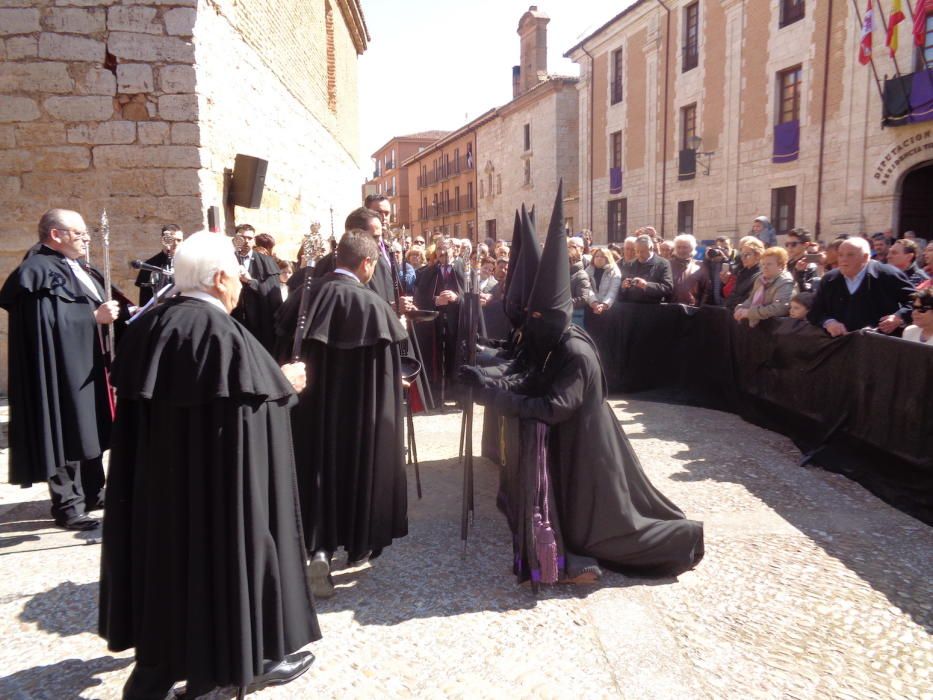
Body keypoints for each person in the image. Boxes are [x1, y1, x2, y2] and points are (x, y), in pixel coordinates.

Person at [100, 231, 318, 700]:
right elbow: (246, 424)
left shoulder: (149, 327)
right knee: (211, 586)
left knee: (165, 585)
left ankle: (156, 675)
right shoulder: (225, 337)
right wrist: (285, 386)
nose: (242, 282)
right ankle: (214, 674)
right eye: (237, 275)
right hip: (214, 505)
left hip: (157, 502)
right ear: (220, 279)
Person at [460, 185, 704, 583]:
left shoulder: (574, 351)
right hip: (568, 443)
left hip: (588, 446)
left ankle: (683, 538)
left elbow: (554, 406)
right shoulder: (551, 341)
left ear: (555, 316)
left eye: (538, 317)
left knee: (606, 529)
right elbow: (532, 375)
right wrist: (486, 378)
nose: (530, 323)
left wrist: (491, 395)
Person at [274, 231, 408, 598]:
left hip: (308, 417)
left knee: (313, 477)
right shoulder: (372, 306)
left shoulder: (304, 296)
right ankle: (355, 543)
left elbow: (280, 351)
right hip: (357, 421)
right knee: (354, 477)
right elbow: (385, 379)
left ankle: (317, 549)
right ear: (367, 263)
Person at [0, 208, 119, 531]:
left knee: (89, 427)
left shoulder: (77, 267)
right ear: (56, 235)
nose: (86, 239)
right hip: (57, 370)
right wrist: (92, 319)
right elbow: (44, 324)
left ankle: (93, 491)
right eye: (79, 234)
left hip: (87, 364)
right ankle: (68, 505)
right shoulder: (37, 271)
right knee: (65, 429)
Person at [807, 237, 914, 336]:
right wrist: (829, 323)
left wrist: (899, 317)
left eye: (850, 255)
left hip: (880, 346)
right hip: (840, 345)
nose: (843, 259)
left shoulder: (887, 275)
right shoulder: (830, 280)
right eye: (840, 255)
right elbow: (815, 312)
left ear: (865, 257)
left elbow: (915, 300)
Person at [230, 223, 283, 352]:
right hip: (233, 320)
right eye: (243, 237)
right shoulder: (228, 259)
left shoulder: (267, 261)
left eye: (250, 238)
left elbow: (273, 292)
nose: (246, 241)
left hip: (259, 322)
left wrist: (251, 281)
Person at [734, 247, 797, 327]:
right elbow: (751, 299)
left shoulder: (785, 282)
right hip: (758, 327)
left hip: (774, 329)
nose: (765, 267)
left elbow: (780, 308)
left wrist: (749, 313)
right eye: (763, 264)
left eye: (769, 264)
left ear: (781, 265)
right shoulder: (761, 279)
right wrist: (741, 308)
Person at [134, 223, 183, 306]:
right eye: (172, 240)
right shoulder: (149, 265)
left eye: (179, 240)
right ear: (163, 240)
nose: (176, 243)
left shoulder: (188, 264)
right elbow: (144, 301)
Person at [618, 234, 673, 303]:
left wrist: (646, 285)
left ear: (650, 248)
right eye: (637, 251)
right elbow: (620, 290)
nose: (639, 255)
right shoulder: (630, 264)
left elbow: (667, 288)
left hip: (653, 308)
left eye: (642, 252)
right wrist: (623, 286)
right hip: (631, 308)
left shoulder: (663, 263)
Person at [724, 237, 763, 310]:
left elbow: (749, 298)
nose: (743, 258)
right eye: (742, 255)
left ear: (758, 255)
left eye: (747, 255)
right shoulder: (742, 271)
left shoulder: (761, 274)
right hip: (734, 311)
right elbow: (733, 293)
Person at [669, 234, 705, 305]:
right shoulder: (667, 264)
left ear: (692, 248)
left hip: (691, 309)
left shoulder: (699, 266)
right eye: (678, 247)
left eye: (685, 247)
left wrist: (700, 307)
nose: (681, 250)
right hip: (669, 306)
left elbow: (705, 290)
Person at [585, 247, 622, 315]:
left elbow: (613, 291)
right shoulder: (587, 271)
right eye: (597, 256)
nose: (599, 258)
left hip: (609, 309)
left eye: (602, 256)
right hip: (591, 307)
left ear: (608, 258)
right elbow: (587, 288)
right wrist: (594, 303)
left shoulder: (615, 271)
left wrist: (604, 304)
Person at [568, 236, 593, 325]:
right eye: (567, 247)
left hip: (575, 316)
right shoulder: (565, 271)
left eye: (572, 247)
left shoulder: (582, 274)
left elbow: (583, 298)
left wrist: (563, 302)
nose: (569, 249)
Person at [785, 228, 819, 292]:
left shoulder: (811, 266)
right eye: (787, 244)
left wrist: (800, 274)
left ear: (805, 245)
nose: (789, 247)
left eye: (793, 244)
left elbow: (808, 293)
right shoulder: (787, 263)